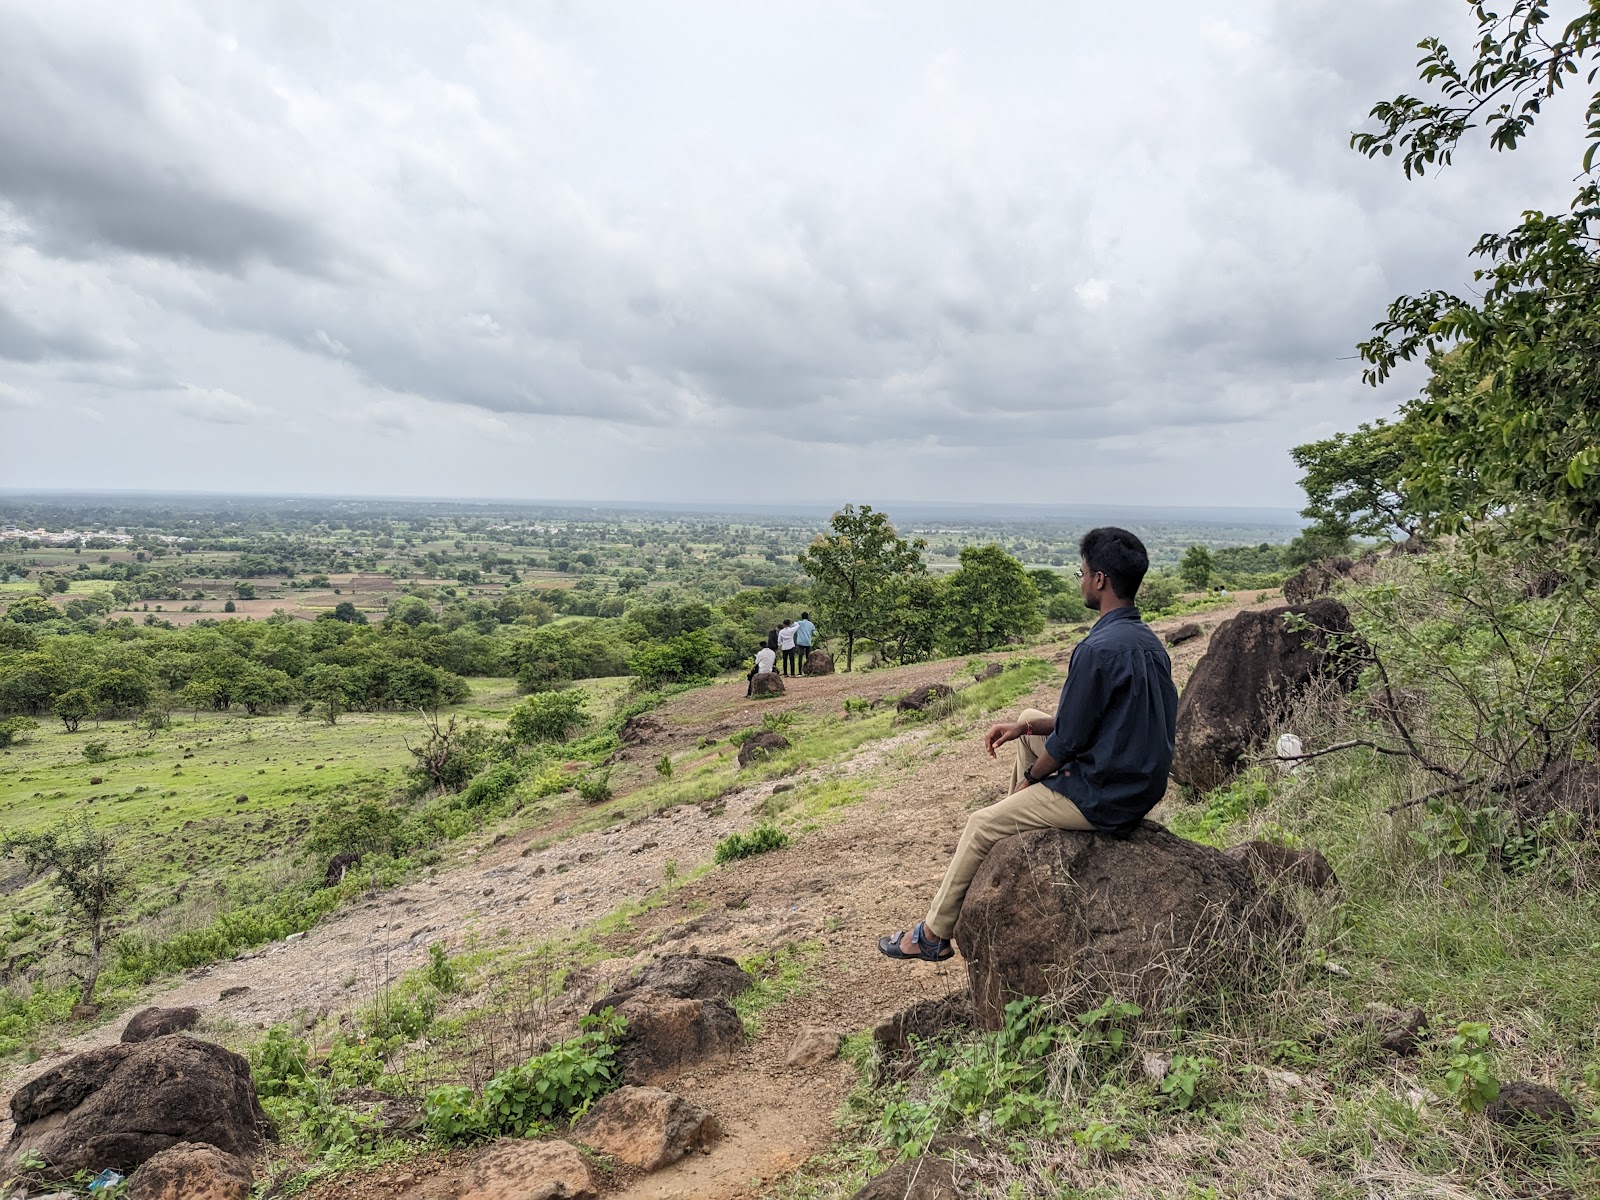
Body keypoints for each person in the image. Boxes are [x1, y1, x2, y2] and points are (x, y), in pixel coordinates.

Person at [878, 527, 1178, 962]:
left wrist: (1033, 781)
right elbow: (1107, 716)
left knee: (980, 824)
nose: (1081, 580)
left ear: (1100, 581)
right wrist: (1028, 729)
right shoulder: (1148, 642)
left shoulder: (1095, 648)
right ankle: (1016, 825)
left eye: (1083, 572)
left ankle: (931, 935)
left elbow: (1070, 740)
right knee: (1026, 720)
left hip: (1104, 793)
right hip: (1136, 780)